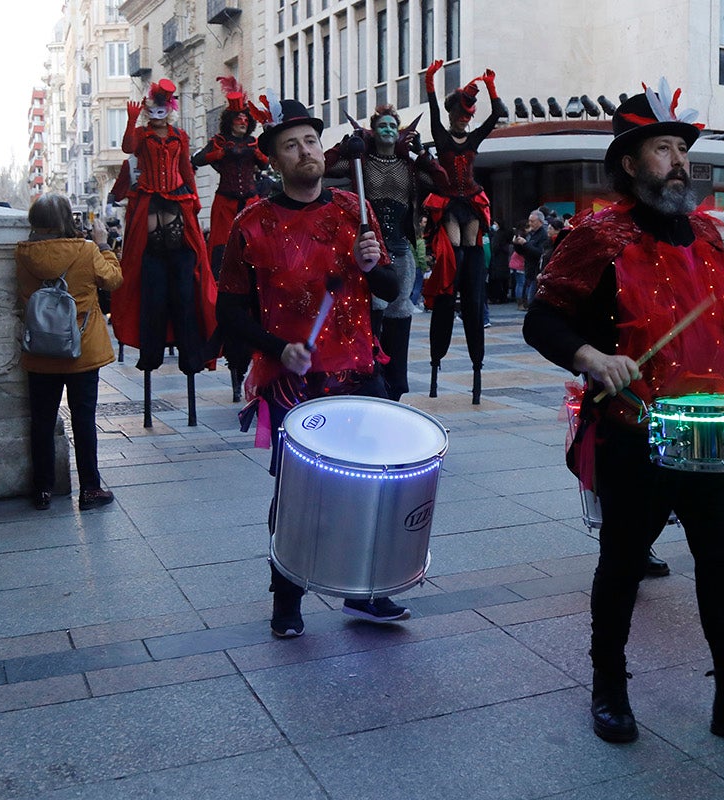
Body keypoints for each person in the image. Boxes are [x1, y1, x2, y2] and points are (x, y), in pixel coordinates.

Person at [524, 82, 724, 744]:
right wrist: (591, 355)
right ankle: (609, 689)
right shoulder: (598, 237)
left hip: (713, 428)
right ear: (630, 163)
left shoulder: (707, 233)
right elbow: (542, 320)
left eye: (681, 148)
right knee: (621, 563)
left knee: (722, 561)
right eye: (663, 148)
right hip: (635, 430)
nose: (678, 160)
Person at [215, 96, 406, 639]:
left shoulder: (354, 209)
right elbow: (229, 311)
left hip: (359, 373)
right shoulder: (252, 224)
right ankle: (286, 598)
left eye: (310, 140)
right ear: (273, 159)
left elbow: (392, 291)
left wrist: (375, 266)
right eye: (291, 144)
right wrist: (277, 348)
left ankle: (366, 592)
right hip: (292, 384)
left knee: (369, 488)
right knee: (298, 496)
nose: (306, 151)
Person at [325, 105, 443, 401]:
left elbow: (444, 184)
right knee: (372, 313)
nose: (388, 130)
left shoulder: (410, 167)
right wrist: (347, 145)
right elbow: (325, 167)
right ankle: (370, 376)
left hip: (400, 248)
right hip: (371, 247)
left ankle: (396, 385)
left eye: (393, 125)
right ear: (373, 131)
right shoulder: (359, 163)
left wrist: (423, 153)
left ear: (399, 132)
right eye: (382, 125)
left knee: (400, 313)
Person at [15, 193, 123, 511]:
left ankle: (42, 490)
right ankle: (90, 489)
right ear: (67, 220)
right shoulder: (86, 250)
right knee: (84, 419)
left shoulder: (22, 254)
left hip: (40, 351)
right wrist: (104, 245)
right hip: (82, 351)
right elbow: (113, 281)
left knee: (42, 421)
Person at [113, 78, 214, 376]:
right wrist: (131, 121)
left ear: (169, 110)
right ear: (148, 110)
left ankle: (190, 356)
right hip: (148, 204)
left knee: (185, 288)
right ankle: (151, 352)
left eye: (163, 109)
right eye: (153, 109)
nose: (159, 114)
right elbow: (127, 148)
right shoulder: (142, 135)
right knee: (152, 289)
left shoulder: (179, 136)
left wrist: (195, 201)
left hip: (178, 204)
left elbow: (185, 169)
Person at [422, 59, 507, 403]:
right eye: (460, 113)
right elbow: (431, 107)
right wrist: (430, 80)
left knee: (471, 248)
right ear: (453, 113)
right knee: (454, 246)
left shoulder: (474, 137)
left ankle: (471, 286)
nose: (464, 119)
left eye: (467, 115)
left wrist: (490, 86)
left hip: (470, 200)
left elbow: (498, 112)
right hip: (448, 203)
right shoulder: (441, 136)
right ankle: (452, 286)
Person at [192, 77, 270, 402]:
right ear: (229, 121)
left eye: (244, 120)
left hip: (251, 206)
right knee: (224, 273)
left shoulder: (254, 146)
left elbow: (269, 163)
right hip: (225, 209)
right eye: (236, 119)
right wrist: (216, 152)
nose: (241, 123)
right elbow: (197, 160)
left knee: (260, 270)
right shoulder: (219, 143)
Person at [513, 209, 548, 310]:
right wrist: (517, 244)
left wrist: (525, 244)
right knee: (528, 298)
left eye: (533, 221)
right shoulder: (531, 234)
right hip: (529, 269)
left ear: (540, 222)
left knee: (532, 299)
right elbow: (523, 252)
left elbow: (539, 253)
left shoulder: (543, 235)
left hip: (537, 270)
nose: (530, 223)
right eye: (529, 221)